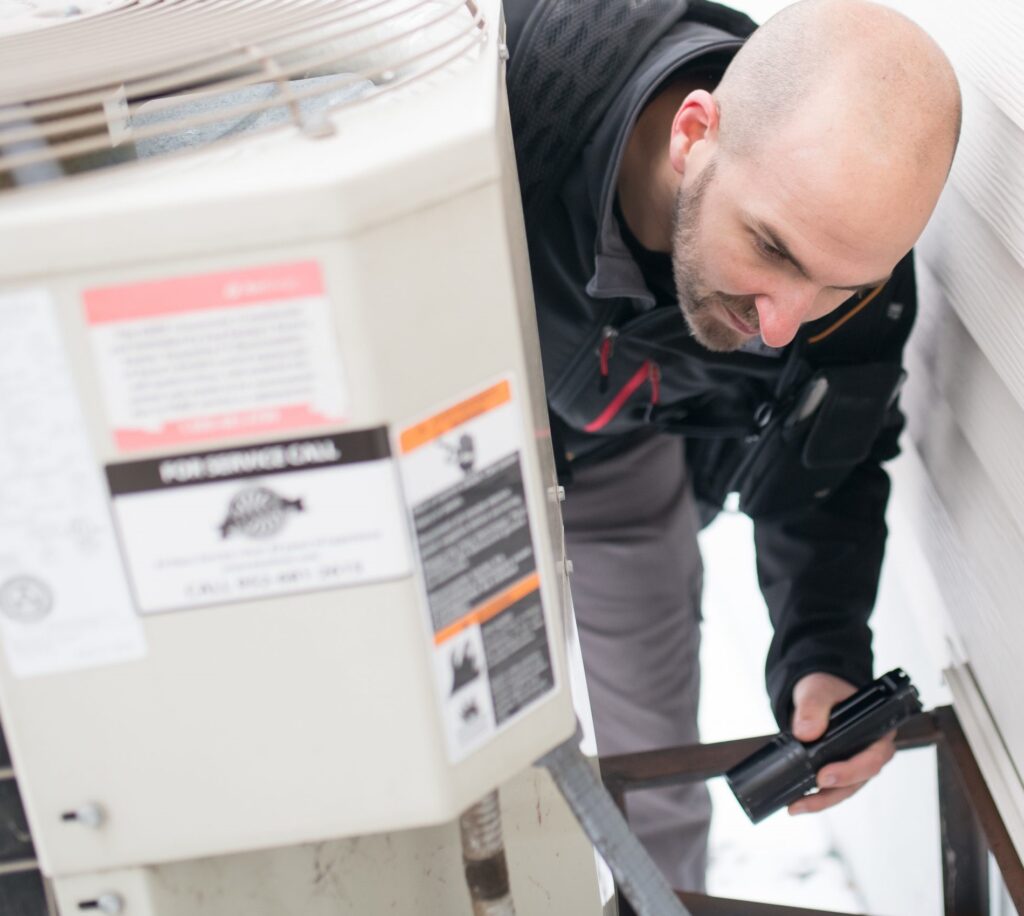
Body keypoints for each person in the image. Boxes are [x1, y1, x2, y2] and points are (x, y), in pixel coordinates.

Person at [504, 0, 962, 892]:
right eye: (772, 250)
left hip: (613, 458)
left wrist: (823, 657)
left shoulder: (845, 246)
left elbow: (825, 463)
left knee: (655, 775)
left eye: (836, 287)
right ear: (693, 131)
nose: (783, 327)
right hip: (430, 441)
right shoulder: (513, 92)